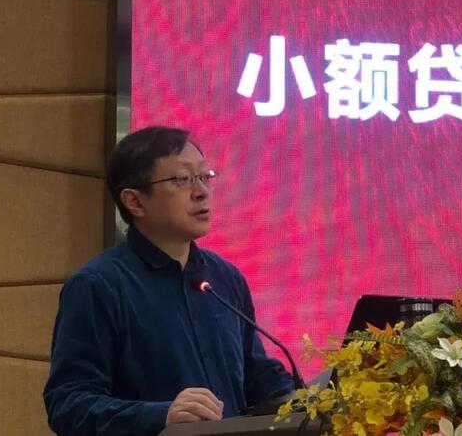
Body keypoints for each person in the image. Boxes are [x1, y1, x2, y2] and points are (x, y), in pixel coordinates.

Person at [44, 126, 294, 435]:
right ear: (135, 202)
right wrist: (161, 416)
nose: (201, 191)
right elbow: (68, 405)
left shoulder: (225, 278)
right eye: (182, 179)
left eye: (204, 176)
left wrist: (316, 400)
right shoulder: (98, 285)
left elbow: (258, 378)